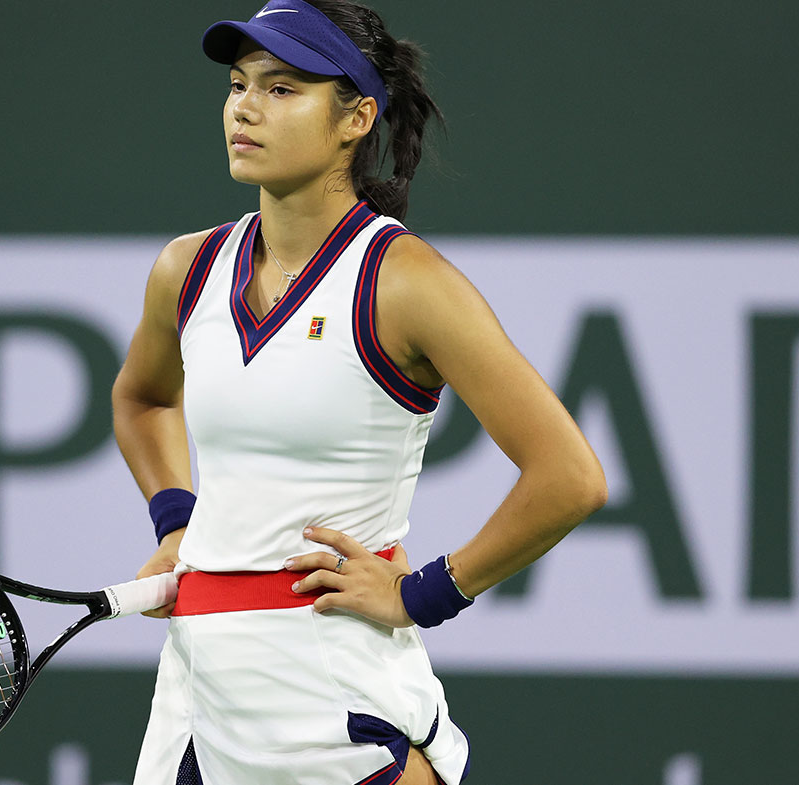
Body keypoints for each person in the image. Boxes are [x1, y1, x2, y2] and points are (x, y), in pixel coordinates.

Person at [111, 1, 607, 782]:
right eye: (240, 84)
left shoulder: (408, 284)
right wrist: (177, 519)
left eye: (282, 89)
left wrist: (424, 592)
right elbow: (143, 399)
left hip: (334, 689)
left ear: (356, 117)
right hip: (199, 701)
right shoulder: (187, 268)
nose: (244, 105)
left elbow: (570, 476)